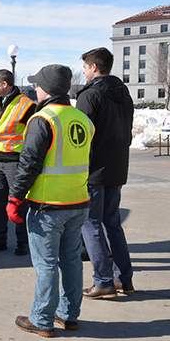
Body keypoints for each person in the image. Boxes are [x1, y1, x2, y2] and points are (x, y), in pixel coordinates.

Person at [7, 64, 94, 337]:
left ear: (46, 89)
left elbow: (29, 163)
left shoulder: (43, 119)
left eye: (37, 85)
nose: (35, 88)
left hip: (47, 207)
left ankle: (42, 319)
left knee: (46, 264)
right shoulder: (82, 119)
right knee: (71, 260)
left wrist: (15, 198)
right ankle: (69, 315)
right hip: (78, 202)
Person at [77, 47, 135, 299]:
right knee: (112, 224)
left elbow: (79, 138)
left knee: (90, 224)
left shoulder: (90, 95)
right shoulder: (123, 93)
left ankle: (103, 281)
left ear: (94, 67)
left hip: (94, 171)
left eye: (85, 67)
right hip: (117, 168)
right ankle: (123, 279)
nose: (83, 71)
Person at [0, 69, 37, 256]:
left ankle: (23, 242)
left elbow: (33, 135)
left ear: (4, 85)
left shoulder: (27, 105)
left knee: (19, 204)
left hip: (15, 163)